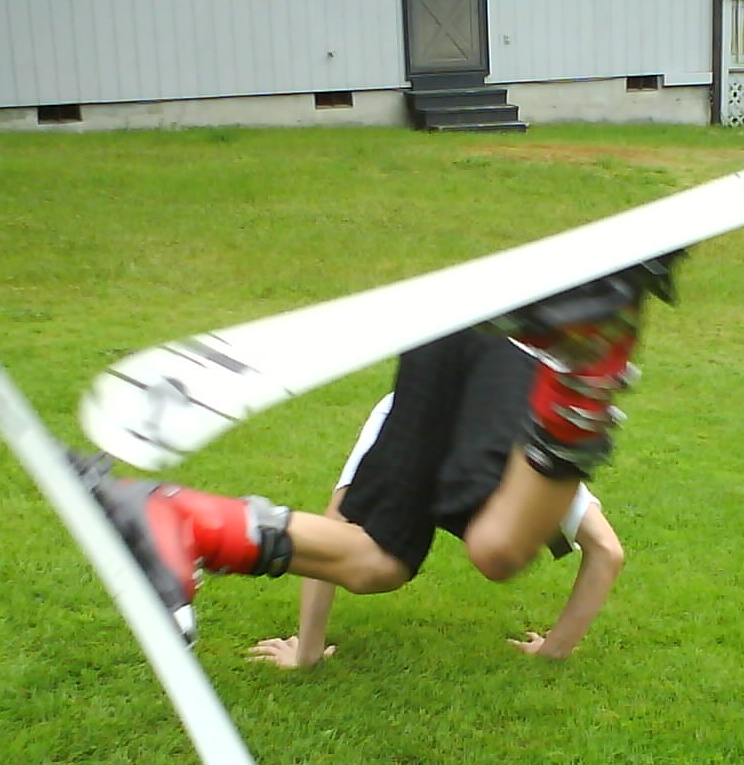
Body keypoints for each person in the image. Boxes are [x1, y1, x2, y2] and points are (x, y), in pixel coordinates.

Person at [79, 259, 676, 666]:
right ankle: (585, 371)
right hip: (514, 351)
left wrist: (308, 650)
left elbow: (335, 528)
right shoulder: (530, 480)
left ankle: (185, 518)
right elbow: (607, 552)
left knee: (376, 561)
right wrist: (553, 651)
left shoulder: (393, 414)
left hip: (440, 336)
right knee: (497, 550)